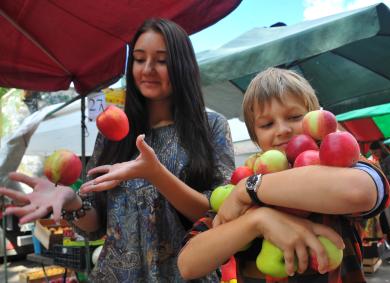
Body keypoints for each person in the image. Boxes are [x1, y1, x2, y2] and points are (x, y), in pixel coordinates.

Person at [0, 18, 235, 282]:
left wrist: (156, 174)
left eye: (161, 60)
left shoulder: (212, 126)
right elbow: (96, 224)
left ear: (182, 65)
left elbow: (222, 213)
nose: (147, 69)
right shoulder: (113, 131)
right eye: (138, 58)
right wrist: (71, 200)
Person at [178, 68, 390, 282]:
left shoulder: (337, 163)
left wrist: (251, 188)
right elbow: (188, 264)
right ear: (255, 136)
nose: (282, 130)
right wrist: (257, 220)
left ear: (314, 118)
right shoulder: (241, 183)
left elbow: (360, 191)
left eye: (295, 117)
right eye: (267, 124)